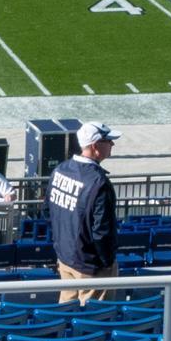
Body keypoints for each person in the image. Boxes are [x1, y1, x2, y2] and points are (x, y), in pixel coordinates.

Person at [49, 122, 121, 303]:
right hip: (90, 266)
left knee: (66, 314)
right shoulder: (99, 182)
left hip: (65, 257)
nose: (112, 145)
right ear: (95, 146)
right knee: (95, 320)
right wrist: (107, 262)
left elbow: (48, 212)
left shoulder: (60, 169)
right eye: (108, 141)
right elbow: (101, 231)